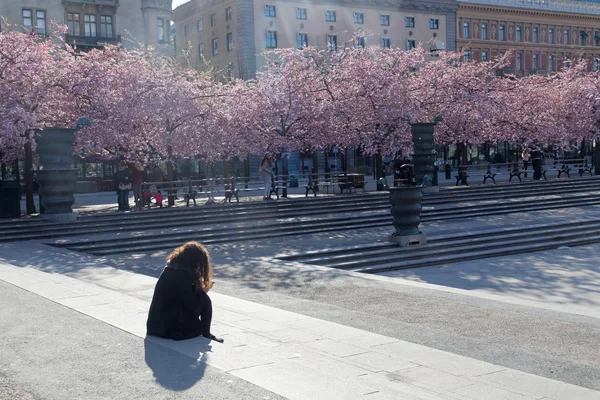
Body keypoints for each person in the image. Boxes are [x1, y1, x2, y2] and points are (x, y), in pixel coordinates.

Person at [147, 241, 224, 343]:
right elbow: (191, 304)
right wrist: (202, 292)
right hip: (169, 330)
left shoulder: (170, 268)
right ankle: (206, 333)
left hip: (155, 326)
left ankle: (205, 332)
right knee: (205, 300)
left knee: (200, 298)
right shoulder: (183, 275)